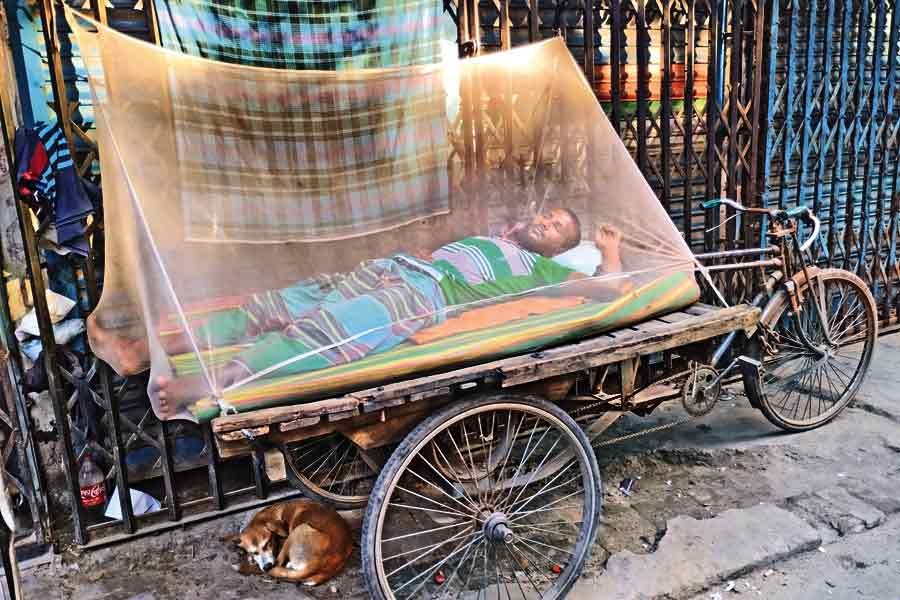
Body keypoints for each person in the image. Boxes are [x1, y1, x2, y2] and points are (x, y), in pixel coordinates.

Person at [88, 208, 625, 414]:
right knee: (273, 305)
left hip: (421, 296)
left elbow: (608, 291)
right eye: (547, 214)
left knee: (320, 334)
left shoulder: (544, 272)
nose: (544, 222)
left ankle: (205, 384)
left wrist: (610, 250)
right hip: (390, 268)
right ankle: (148, 351)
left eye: (557, 227)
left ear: (560, 248)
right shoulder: (494, 236)